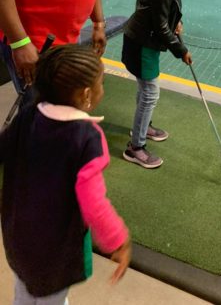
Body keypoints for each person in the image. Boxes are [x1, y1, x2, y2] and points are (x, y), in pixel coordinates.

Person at [0, 44, 131, 304]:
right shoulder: (87, 139)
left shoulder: (28, 115)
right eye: (101, 83)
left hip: (17, 234)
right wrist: (118, 240)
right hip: (54, 247)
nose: (102, 89)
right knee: (51, 295)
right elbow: (94, 204)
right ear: (85, 94)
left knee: (25, 286)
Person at [121, 0, 213, 169]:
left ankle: (143, 126)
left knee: (145, 91)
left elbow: (163, 14)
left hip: (144, 41)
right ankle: (136, 148)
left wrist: (174, 22)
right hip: (142, 44)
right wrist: (181, 49)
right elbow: (160, 26)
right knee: (150, 93)